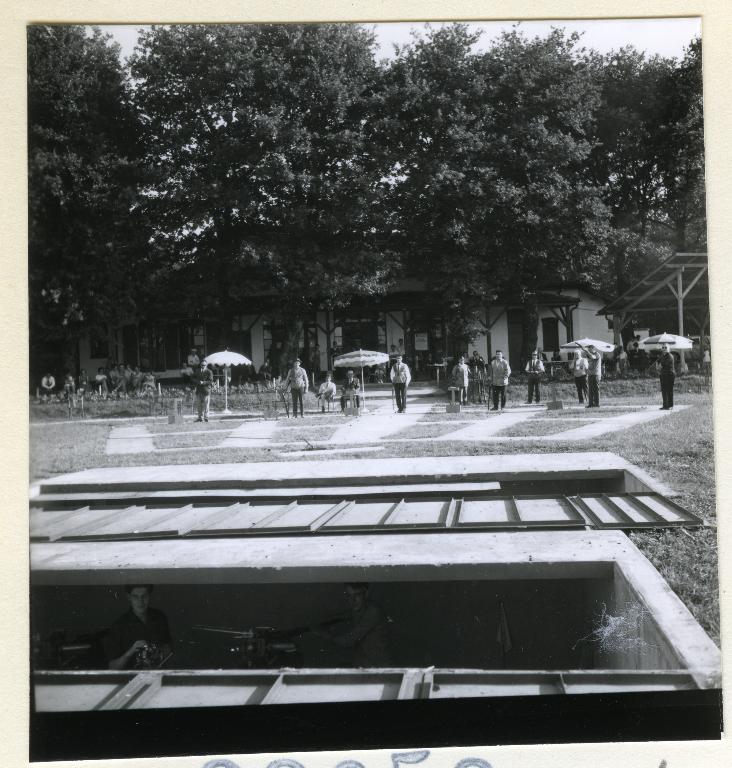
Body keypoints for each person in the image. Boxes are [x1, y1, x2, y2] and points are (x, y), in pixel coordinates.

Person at [311, 583, 391, 668]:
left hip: (379, 668)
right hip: (364, 665)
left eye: (357, 594)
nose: (352, 600)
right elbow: (345, 615)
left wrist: (322, 633)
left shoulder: (373, 611)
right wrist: (323, 620)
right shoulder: (360, 608)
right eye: (349, 595)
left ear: (366, 594)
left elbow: (347, 641)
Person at [103, 585, 172, 670]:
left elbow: (168, 647)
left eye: (144, 596)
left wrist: (158, 654)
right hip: (132, 679)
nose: (140, 601)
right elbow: (112, 667)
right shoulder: (118, 626)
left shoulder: (160, 617)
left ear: (149, 595)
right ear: (129, 597)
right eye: (135, 597)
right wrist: (130, 651)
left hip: (158, 675)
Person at [580, 343, 602, 407]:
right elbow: (587, 359)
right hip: (590, 374)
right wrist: (584, 350)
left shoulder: (597, 354)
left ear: (593, 348)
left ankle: (597, 404)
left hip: (596, 374)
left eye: (590, 349)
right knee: (590, 390)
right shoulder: (589, 355)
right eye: (588, 349)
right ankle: (591, 404)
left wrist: (586, 351)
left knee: (595, 390)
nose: (589, 350)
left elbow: (593, 357)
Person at [658, 342, 676, 410]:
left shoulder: (670, 356)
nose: (664, 349)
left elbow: (665, 364)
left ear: (668, 348)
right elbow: (660, 365)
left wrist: (660, 365)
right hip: (663, 374)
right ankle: (665, 405)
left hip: (669, 375)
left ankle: (670, 405)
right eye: (663, 348)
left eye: (665, 347)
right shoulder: (663, 356)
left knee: (669, 390)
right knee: (664, 390)